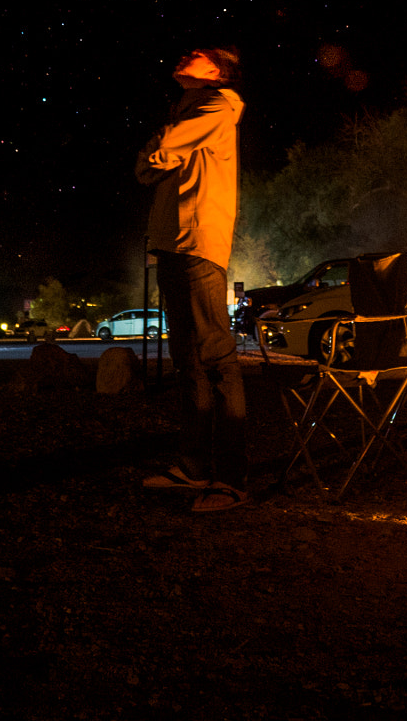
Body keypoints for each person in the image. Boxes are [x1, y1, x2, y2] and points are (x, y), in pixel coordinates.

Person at [135, 44, 249, 512]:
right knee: (188, 361)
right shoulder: (189, 109)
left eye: (198, 54)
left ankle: (233, 478)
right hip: (172, 242)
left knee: (217, 357)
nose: (186, 55)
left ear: (216, 72)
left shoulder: (216, 104)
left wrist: (159, 150)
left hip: (199, 242)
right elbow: (146, 169)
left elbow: (154, 155)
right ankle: (194, 468)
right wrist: (158, 154)